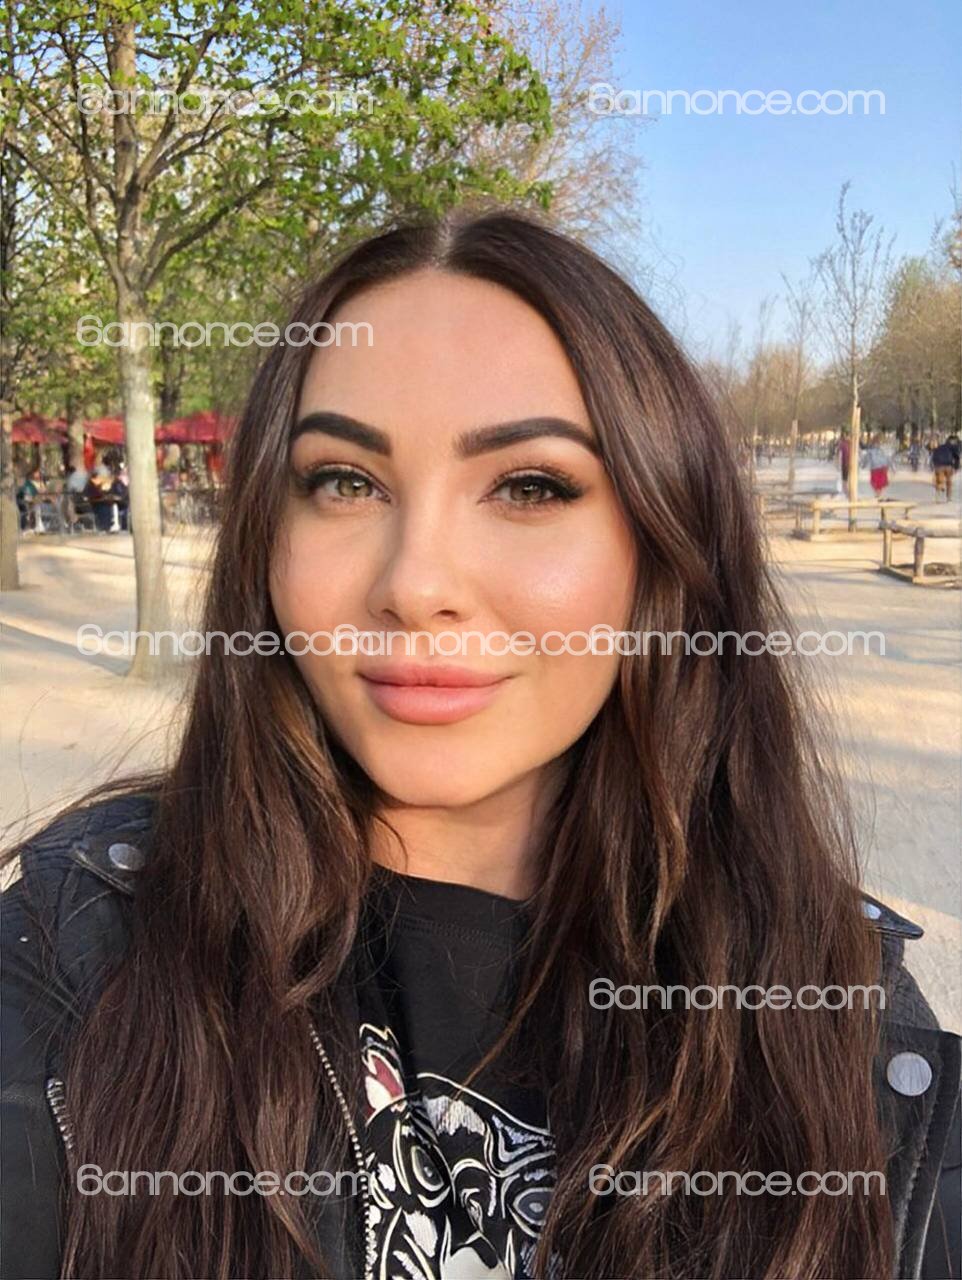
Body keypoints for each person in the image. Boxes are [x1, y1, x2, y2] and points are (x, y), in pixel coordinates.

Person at [1, 211, 959, 1280]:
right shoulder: (80, 953)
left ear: (662, 549)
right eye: (344, 481)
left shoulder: (838, 1025)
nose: (415, 585)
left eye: (529, 485)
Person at [930, 435, 961, 501]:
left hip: (939, 466)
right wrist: (956, 467)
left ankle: (937, 497)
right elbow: (957, 458)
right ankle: (948, 497)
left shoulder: (940, 447)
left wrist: (935, 466)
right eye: (955, 441)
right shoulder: (953, 447)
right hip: (948, 466)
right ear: (952, 441)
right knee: (949, 481)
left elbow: (934, 456)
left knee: (938, 481)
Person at [864, 433, 893, 499]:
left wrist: (863, 465)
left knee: (877, 483)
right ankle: (878, 494)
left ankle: (878, 495)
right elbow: (888, 457)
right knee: (879, 483)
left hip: (877, 467)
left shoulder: (874, 448)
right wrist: (891, 467)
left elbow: (888, 457)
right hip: (880, 467)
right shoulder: (881, 448)